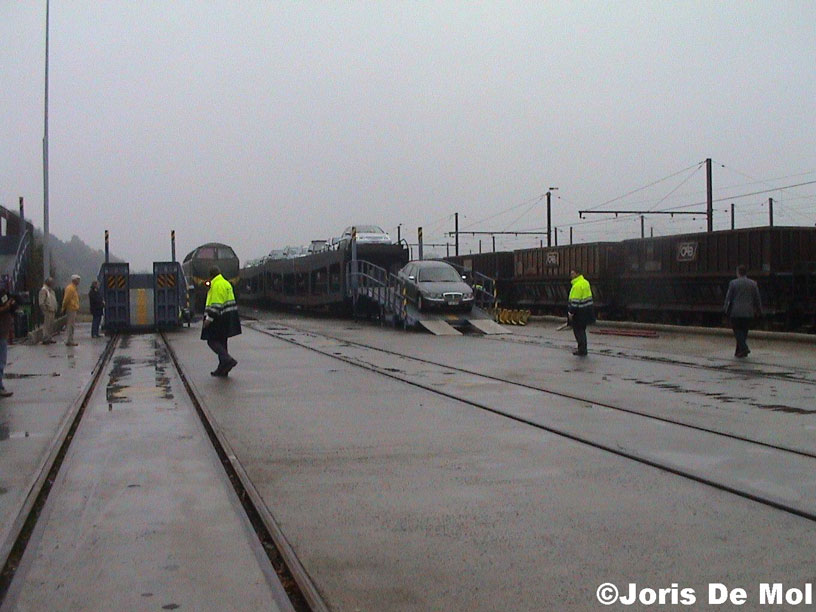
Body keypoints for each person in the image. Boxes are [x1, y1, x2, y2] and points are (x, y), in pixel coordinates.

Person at [201, 266, 241, 376]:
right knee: (222, 342)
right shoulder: (226, 283)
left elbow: (216, 305)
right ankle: (223, 369)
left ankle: (227, 360)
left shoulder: (216, 285)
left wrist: (208, 319)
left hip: (219, 318)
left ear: (211, 276)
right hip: (228, 317)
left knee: (212, 341)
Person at [724, 265, 762, 358]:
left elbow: (728, 298)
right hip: (749, 312)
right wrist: (759, 310)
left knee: (737, 331)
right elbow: (757, 298)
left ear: (738, 272)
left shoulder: (733, 283)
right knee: (744, 332)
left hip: (736, 312)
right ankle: (739, 352)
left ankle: (744, 348)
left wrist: (725, 309)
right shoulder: (753, 283)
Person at [567, 268, 595, 356]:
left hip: (579, 312)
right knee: (582, 330)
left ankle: (581, 350)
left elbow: (575, 301)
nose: (571, 275)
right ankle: (583, 348)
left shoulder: (577, 286)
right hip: (587, 310)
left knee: (578, 331)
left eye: (572, 273)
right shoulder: (586, 283)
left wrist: (571, 313)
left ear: (577, 274)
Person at [0, 286, 16, 397]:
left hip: (3, 332)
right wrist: (7, 305)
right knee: (1, 361)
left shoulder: (4, 293)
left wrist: (12, 304)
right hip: (1, 333)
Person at [62, 274, 81, 346]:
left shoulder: (74, 288)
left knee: (72, 325)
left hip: (73, 308)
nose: (79, 281)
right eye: (78, 279)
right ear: (74, 280)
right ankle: (69, 340)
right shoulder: (70, 288)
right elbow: (66, 299)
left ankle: (70, 339)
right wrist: (63, 307)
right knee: (70, 325)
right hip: (71, 308)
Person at [39, 276, 58, 344]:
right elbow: (41, 302)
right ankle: (45, 338)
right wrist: (45, 310)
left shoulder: (51, 291)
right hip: (48, 310)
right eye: (51, 282)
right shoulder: (44, 290)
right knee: (47, 325)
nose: (52, 283)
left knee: (51, 325)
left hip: (52, 310)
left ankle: (49, 337)